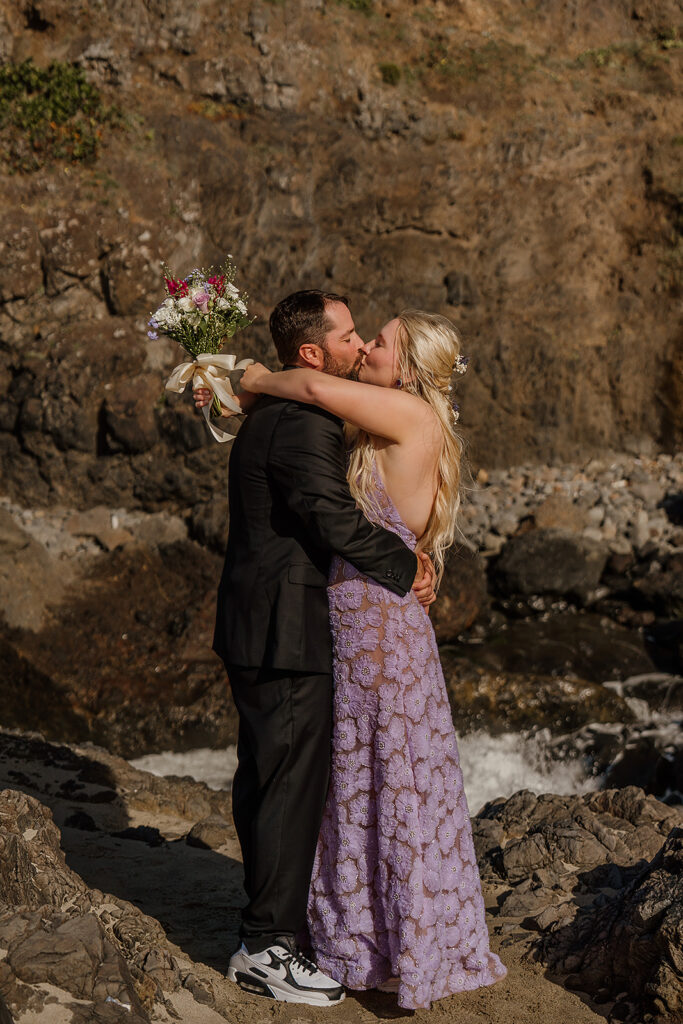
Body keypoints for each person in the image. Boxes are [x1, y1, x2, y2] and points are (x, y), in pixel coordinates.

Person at [238, 309, 507, 1010]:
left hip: (375, 621)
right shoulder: (396, 420)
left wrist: (259, 376)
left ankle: (384, 938)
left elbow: (320, 392)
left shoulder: (409, 414)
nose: (364, 350)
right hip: (366, 615)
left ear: (409, 366)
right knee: (374, 772)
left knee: (377, 771)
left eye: (379, 342)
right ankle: (371, 934)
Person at [194, 290, 435, 1007]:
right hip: (282, 628)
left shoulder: (284, 410)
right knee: (286, 788)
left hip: (263, 622)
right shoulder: (301, 421)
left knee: (271, 780)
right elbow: (327, 516)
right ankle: (266, 948)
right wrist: (406, 568)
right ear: (312, 353)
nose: (359, 346)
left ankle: (274, 932)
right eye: (350, 335)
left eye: (367, 337)